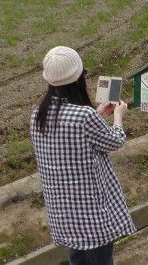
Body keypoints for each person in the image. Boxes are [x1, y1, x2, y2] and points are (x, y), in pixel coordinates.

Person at [30, 46, 136, 265]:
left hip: (64, 212)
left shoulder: (38, 115)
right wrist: (118, 115)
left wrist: (97, 115)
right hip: (91, 215)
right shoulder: (84, 116)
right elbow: (115, 141)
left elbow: (69, 135)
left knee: (77, 260)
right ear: (78, 79)